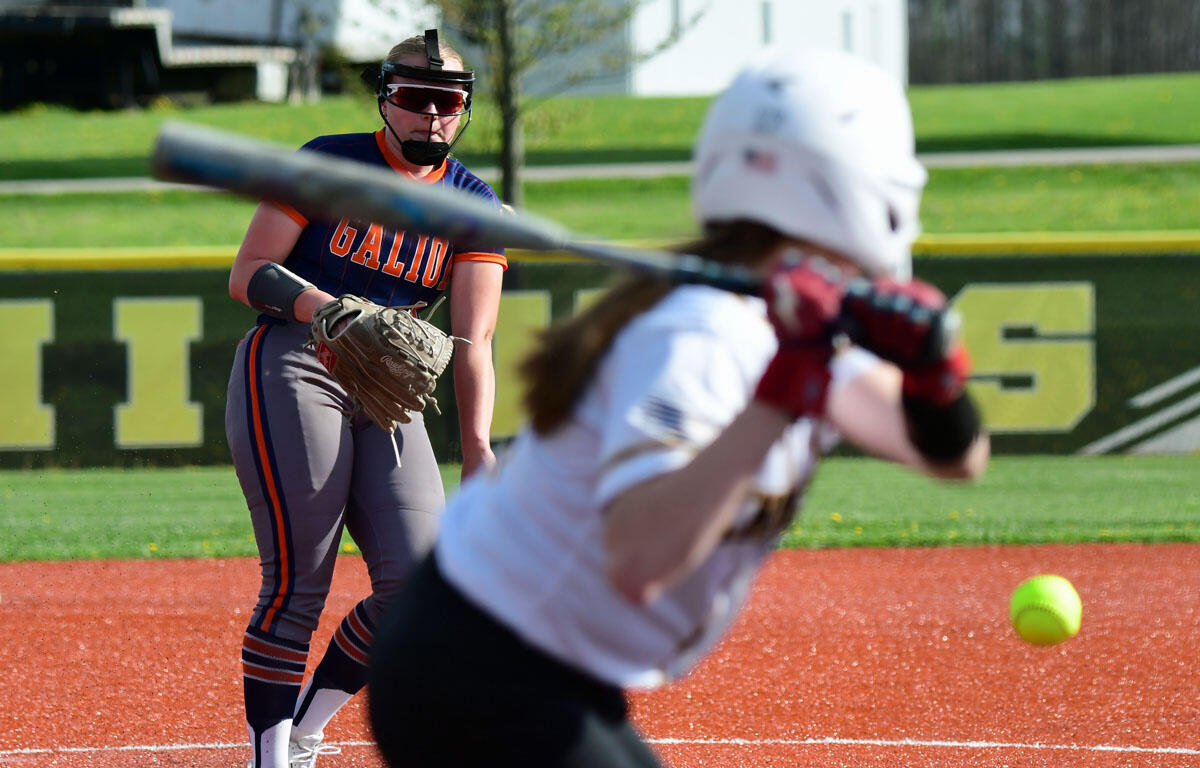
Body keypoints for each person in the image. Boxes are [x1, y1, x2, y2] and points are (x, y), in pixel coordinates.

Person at [365, 46, 990, 768]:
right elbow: (638, 557)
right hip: (474, 665)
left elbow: (954, 457)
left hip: (531, 670)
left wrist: (932, 377)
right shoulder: (704, 334)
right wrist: (783, 393)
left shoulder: (793, 325)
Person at [223, 29, 506, 768]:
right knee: (299, 578)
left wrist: (478, 447)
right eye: (416, 100)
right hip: (299, 358)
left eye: (449, 103)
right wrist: (330, 310)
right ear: (386, 99)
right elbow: (249, 272)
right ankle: (269, 758)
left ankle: (309, 731)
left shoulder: (474, 204)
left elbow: (474, 341)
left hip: (388, 388)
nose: (433, 116)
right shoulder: (329, 161)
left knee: (419, 586)